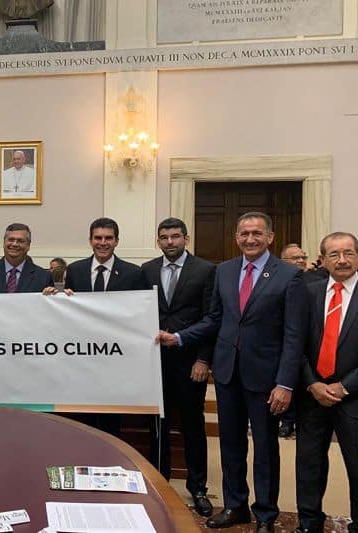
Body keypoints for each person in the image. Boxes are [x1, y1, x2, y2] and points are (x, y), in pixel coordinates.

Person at [158, 211, 306, 533]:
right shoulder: (224, 271)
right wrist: (179, 337)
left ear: (270, 237)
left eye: (257, 233)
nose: (250, 239)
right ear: (236, 237)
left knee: (265, 449)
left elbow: (294, 335)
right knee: (231, 445)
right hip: (227, 373)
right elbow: (214, 319)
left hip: (265, 378)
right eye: (244, 234)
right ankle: (235, 506)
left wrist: (285, 383)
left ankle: (265, 515)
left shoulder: (289, 276)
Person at [141, 217, 215, 517]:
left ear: (186, 238)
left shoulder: (206, 270)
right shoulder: (147, 270)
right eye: (164, 237)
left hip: (189, 362)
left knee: (192, 426)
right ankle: (161, 482)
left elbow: (212, 318)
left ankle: (198, 488)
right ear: (158, 240)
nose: (169, 242)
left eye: (175, 236)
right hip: (153, 362)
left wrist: (204, 359)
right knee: (157, 426)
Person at [295, 232, 358, 533]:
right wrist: (312, 383)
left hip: (354, 397)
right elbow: (294, 343)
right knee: (309, 465)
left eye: (349, 253)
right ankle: (309, 523)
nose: (342, 260)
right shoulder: (309, 293)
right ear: (322, 260)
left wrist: (345, 387)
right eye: (334, 254)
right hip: (313, 396)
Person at [64, 217, 145, 436]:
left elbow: (139, 315)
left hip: (116, 358)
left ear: (117, 241)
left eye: (108, 238)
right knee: (83, 418)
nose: (103, 243)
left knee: (110, 419)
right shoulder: (75, 270)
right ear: (90, 240)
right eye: (98, 238)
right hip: (82, 357)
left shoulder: (133, 273)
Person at [279, 243, 309, 439]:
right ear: (283, 261)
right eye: (295, 258)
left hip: (309, 345)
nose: (300, 261)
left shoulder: (317, 279)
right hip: (286, 343)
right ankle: (287, 422)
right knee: (288, 382)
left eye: (303, 257)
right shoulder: (278, 281)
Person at [0, 223, 52, 293]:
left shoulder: (43, 276)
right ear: (4, 243)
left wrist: (52, 295)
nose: (14, 244)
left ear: (28, 246)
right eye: (11, 239)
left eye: (20, 241)